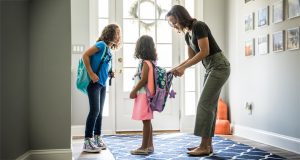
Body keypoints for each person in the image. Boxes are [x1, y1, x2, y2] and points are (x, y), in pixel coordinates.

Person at [166, 5, 230, 156]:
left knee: (204, 105)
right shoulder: (187, 34)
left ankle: (203, 146)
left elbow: (204, 51)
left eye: (174, 22)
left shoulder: (199, 26)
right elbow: (190, 58)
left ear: (180, 17)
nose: (174, 25)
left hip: (220, 66)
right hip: (210, 68)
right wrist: (176, 68)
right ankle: (207, 145)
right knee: (210, 106)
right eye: (171, 23)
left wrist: (182, 68)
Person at [82, 24, 121, 153]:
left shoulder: (109, 49)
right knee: (95, 111)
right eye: (117, 33)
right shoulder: (101, 45)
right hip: (94, 83)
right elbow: (85, 55)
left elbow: (103, 64)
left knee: (99, 112)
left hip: (102, 84)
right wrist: (91, 74)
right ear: (110, 34)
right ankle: (87, 140)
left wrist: (110, 72)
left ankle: (97, 137)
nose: (118, 36)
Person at [129, 35, 156, 155]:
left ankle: (144, 147)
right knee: (147, 120)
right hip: (147, 95)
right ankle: (150, 145)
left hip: (144, 95)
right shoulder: (151, 61)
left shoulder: (145, 63)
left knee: (146, 121)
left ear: (141, 48)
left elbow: (144, 79)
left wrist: (134, 91)